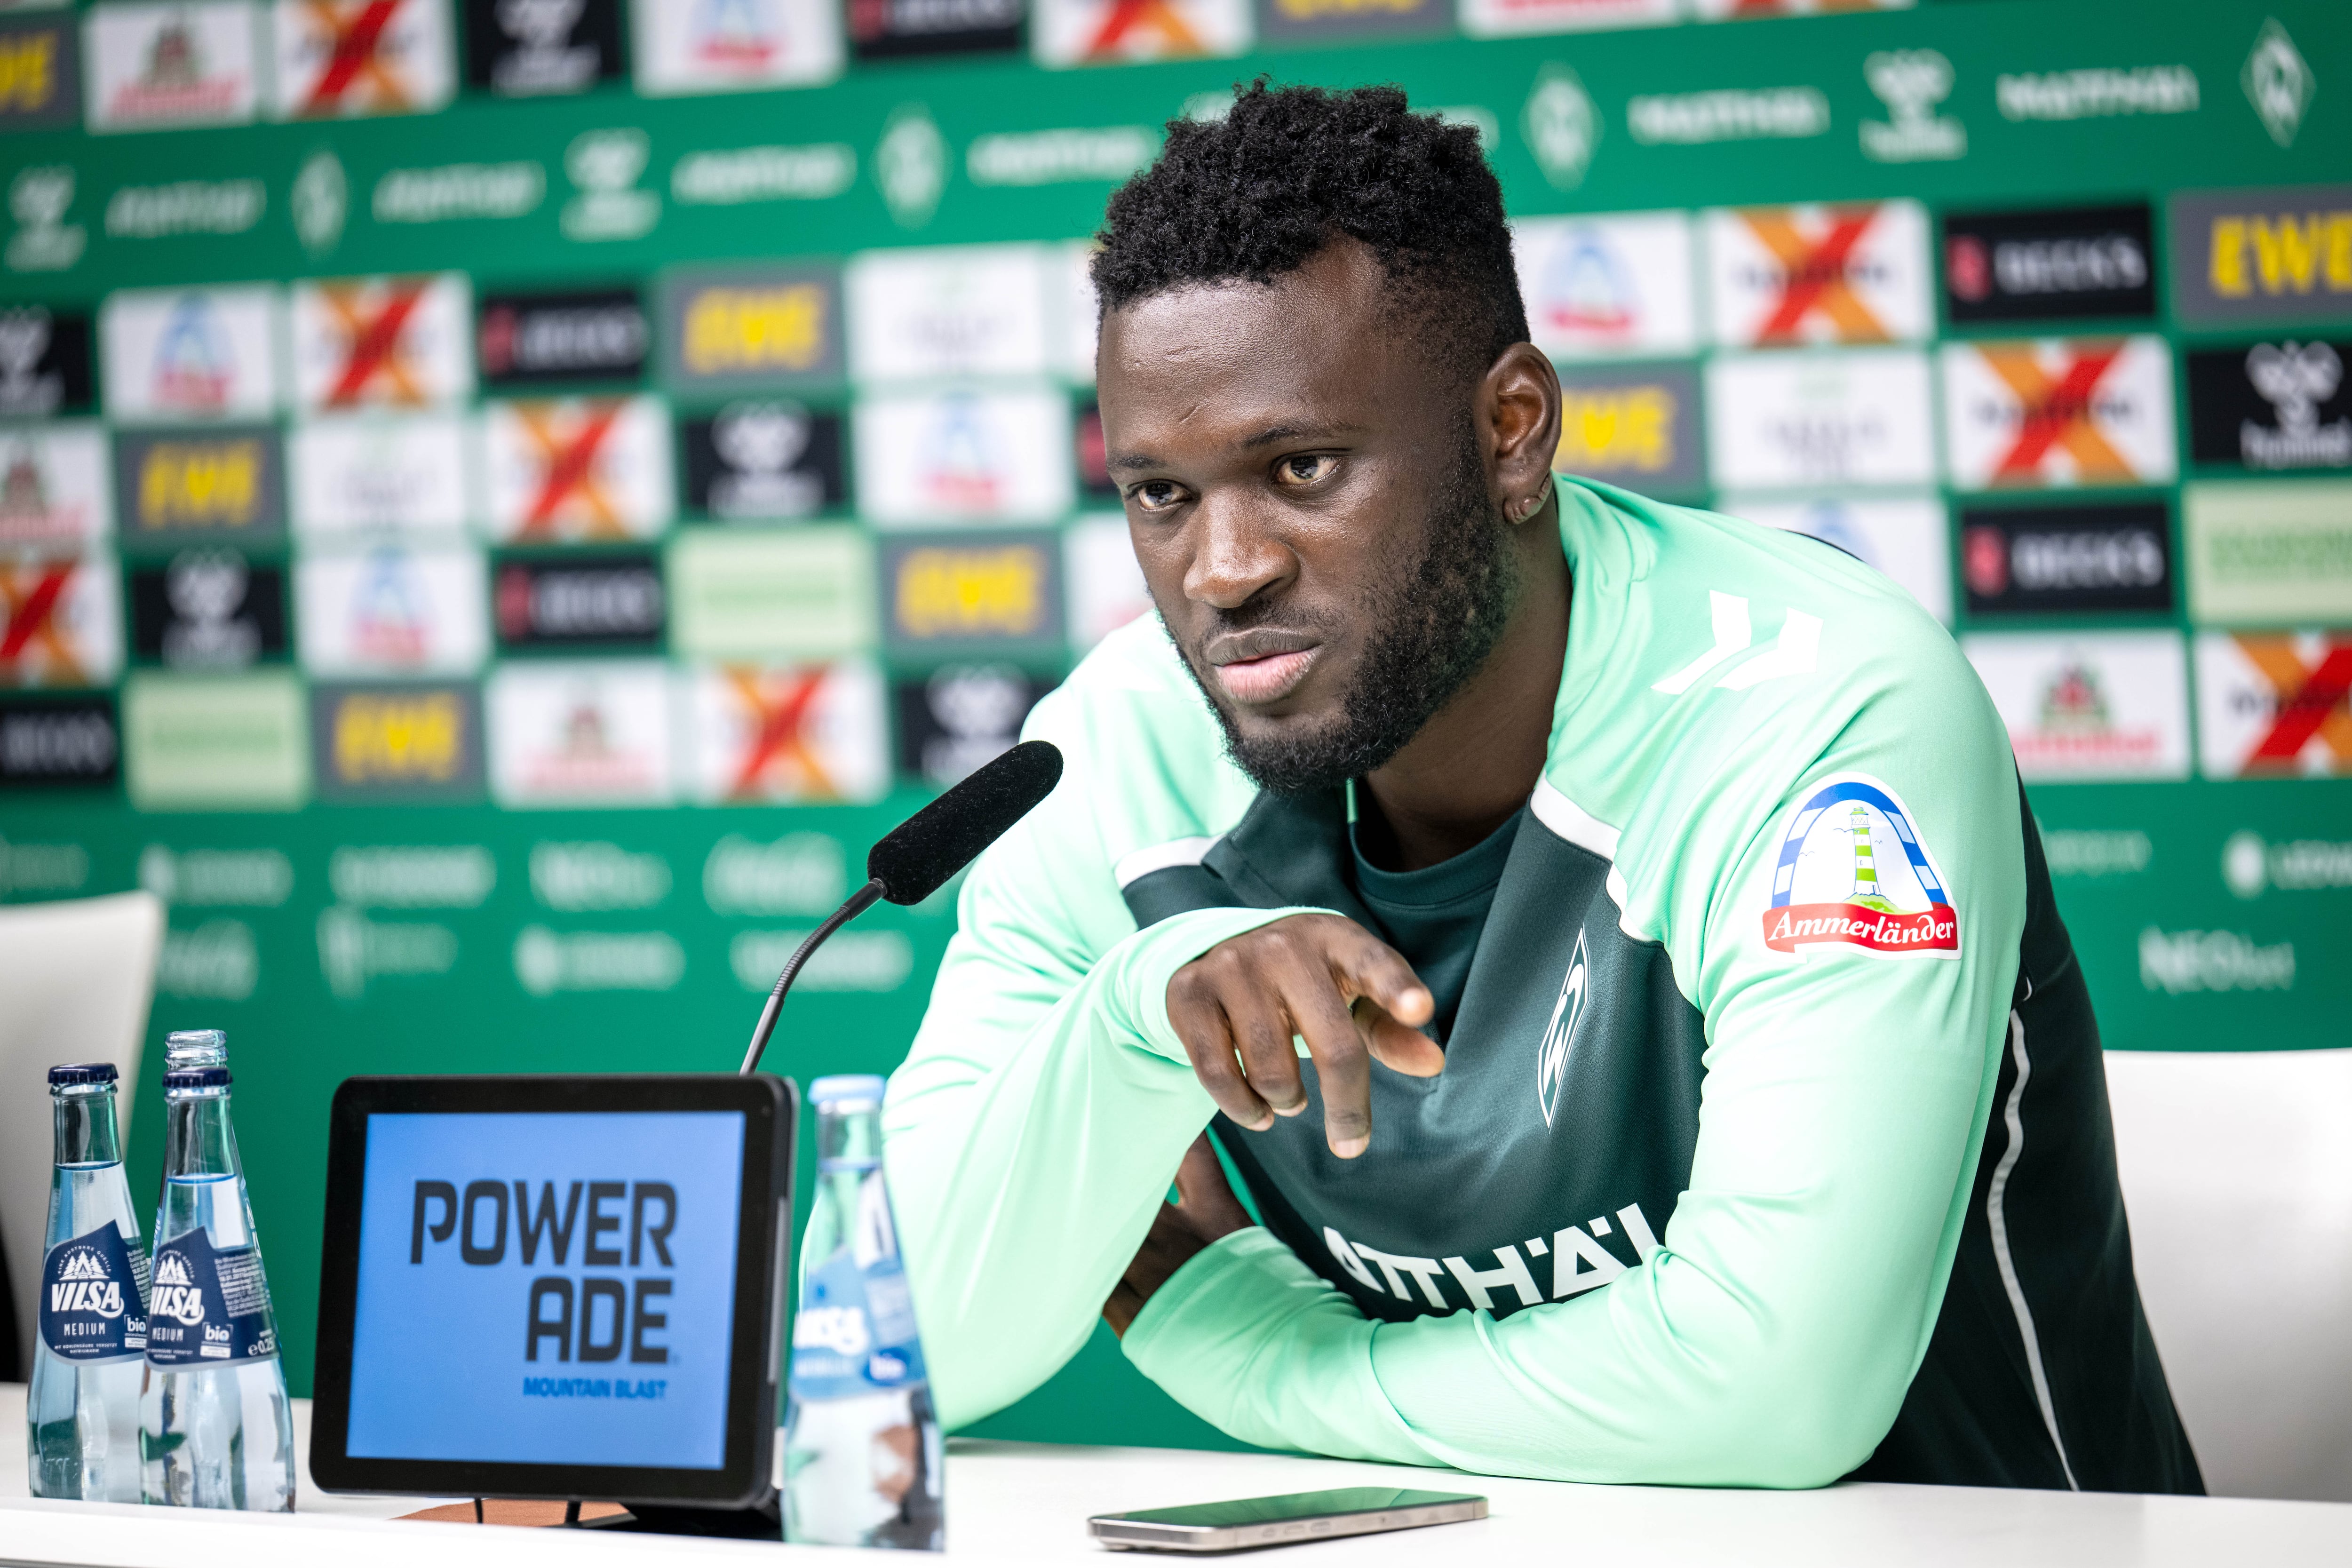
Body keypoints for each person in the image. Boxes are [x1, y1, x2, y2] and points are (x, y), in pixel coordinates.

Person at [880, 80, 2201, 1492]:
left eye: (1302, 468)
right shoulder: (1107, 755)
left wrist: (1262, 1355)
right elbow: (909, 1343)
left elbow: (1777, 1392)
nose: (1222, 571)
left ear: (1514, 429)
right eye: (1162, 495)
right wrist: (1142, 1014)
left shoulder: (1819, 709)